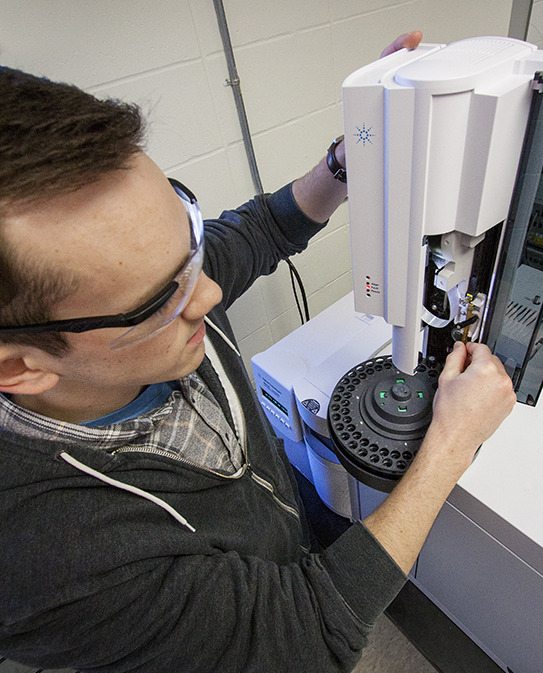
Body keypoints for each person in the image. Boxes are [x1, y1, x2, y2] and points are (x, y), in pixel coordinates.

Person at [0, 31, 516, 673]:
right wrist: (450, 445)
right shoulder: (50, 561)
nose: (210, 291)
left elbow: (252, 234)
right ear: (19, 367)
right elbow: (308, 640)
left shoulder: (132, 298)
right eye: (163, 298)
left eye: (185, 239)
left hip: (281, 530)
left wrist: (348, 160)